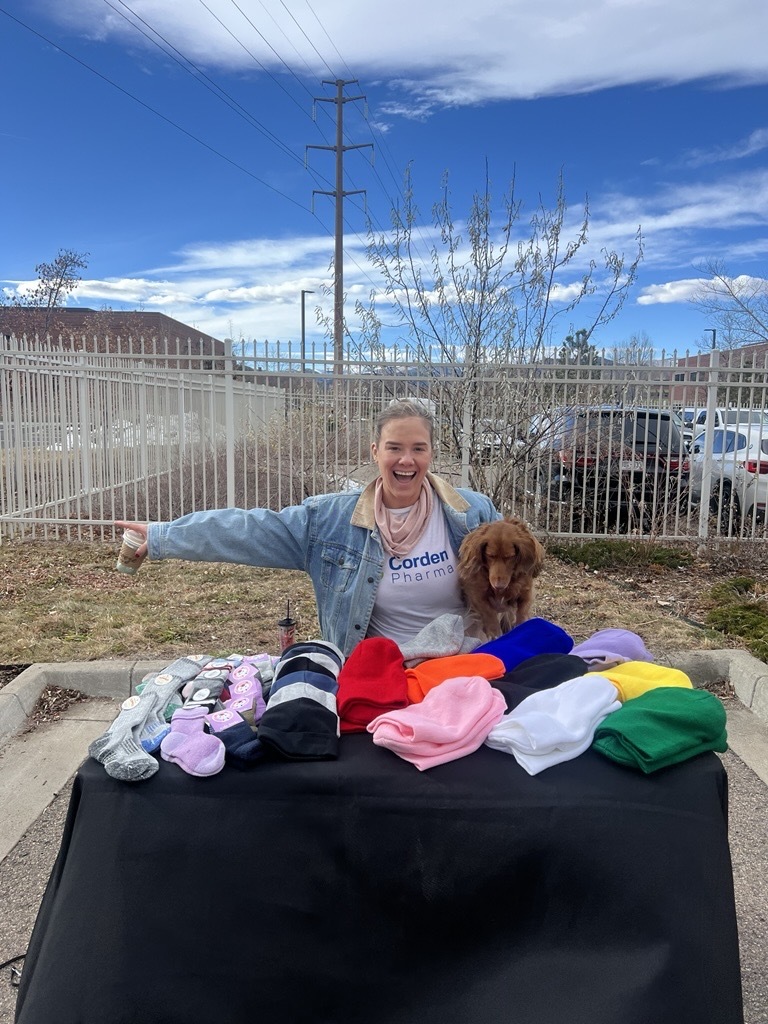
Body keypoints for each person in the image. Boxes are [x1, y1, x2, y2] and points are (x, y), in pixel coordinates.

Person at [117, 400, 501, 656]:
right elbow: (251, 530)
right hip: (380, 675)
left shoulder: (470, 514)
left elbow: (515, 579)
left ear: (431, 453)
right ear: (374, 452)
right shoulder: (331, 522)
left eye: (418, 448)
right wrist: (163, 536)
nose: (406, 460)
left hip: (465, 666)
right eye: (394, 447)